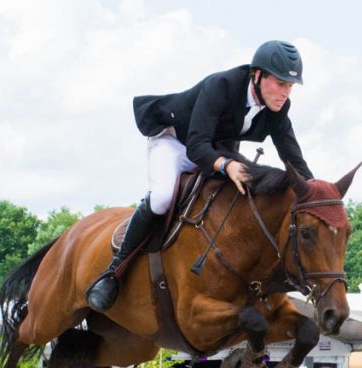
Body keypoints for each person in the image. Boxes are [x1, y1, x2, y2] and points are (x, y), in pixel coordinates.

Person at [86, 40, 312, 312]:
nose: (286, 92)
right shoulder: (222, 86)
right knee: (161, 197)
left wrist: (317, 192)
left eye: (290, 86)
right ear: (257, 75)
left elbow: (292, 156)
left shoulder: (278, 109)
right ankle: (113, 273)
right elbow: (195, 145)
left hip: (216, 149)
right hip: (175, 142)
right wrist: (226, 165)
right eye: (280, 83)